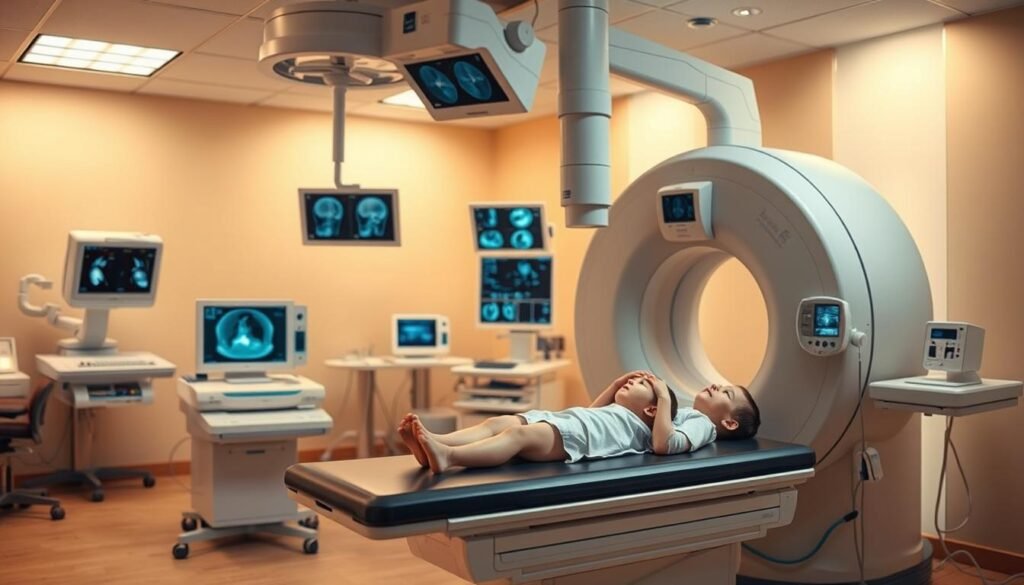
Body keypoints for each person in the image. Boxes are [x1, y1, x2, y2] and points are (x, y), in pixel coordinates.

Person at [398, 371, 680, 474]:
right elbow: (590, 411)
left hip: (573, 439)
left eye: (642, 384)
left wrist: (665, 395)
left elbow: (662, 443)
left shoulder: (641, 430)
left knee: (516, 436)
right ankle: (436, 442)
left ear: (653, 408)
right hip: (562, 422)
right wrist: (615, 384)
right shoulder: (611, 411)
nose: (632, 381)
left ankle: (449, 456)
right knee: (499, 422)